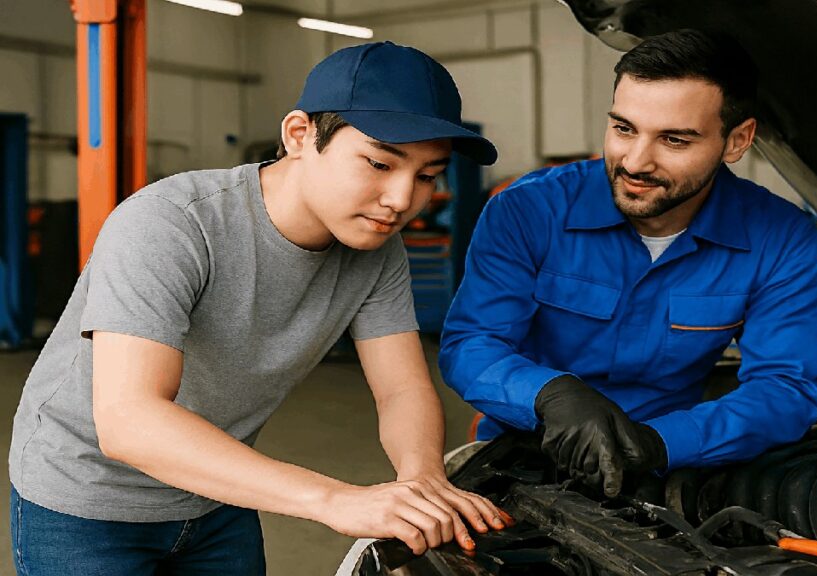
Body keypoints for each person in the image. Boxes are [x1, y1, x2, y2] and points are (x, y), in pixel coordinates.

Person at [8, 41, 511, 575]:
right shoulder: (171, 223)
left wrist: (422, 477)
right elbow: (128, 420)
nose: (401, 198)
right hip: (86, 505)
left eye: (428, 175)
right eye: (379, 163)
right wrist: (333, 499)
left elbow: (402, 388)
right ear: (299, 136)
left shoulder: (376, 252)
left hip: (217, 497)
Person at [440, 29, 817, 498]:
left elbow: (786, 387)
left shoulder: (781, 239)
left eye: (673, 139)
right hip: (524, 448)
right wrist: (548, 395)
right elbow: (471, 343)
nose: (635, 161)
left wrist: (660, 442)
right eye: (623, 128)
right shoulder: (528, 211)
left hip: (670, 462)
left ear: (737, 140)